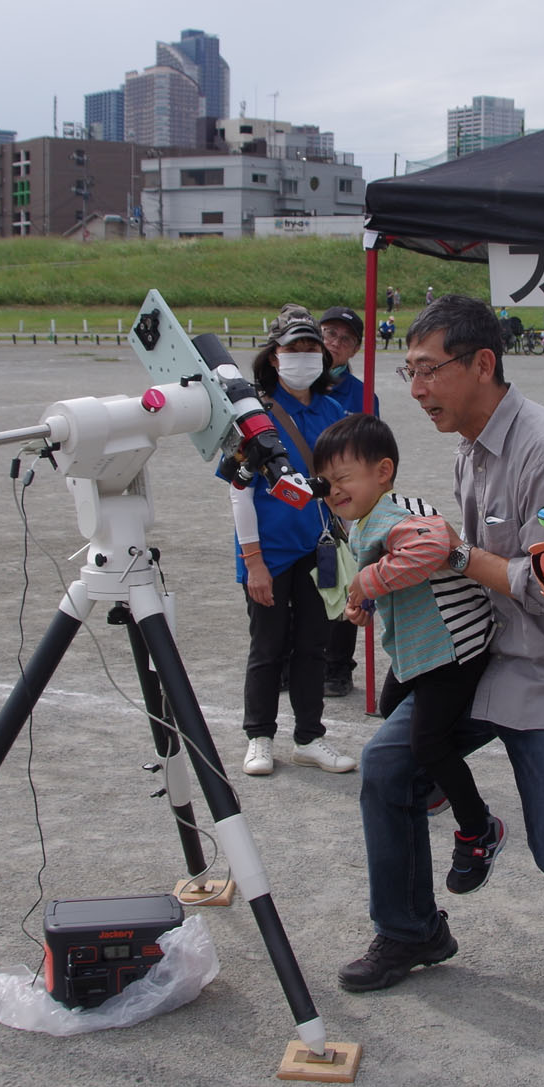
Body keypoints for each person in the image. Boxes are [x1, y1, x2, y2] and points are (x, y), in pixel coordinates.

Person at [337, 294, 544, 1010]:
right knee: (387, 769)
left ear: (483, 364)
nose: (415, 391)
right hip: (486, 655)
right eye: (408, 371)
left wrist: (452, 552)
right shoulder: (470, 448)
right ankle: (411, 930)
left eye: (428, 371)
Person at [311, 413, 502, 893]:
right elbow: (396, 572)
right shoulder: (363, 520)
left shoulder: (396, 515)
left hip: (455, 646)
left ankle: (479, 829)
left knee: (426, 743)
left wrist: (366, 581)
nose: (334, 491)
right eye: (326, 483)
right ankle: (434, 785)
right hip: (421, 649)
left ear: (382, 472)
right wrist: (366, 601)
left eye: (343, 479)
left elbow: (435, 543)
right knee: (393, 711)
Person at [225, 304, 356, 778]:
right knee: (268, 647)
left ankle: (309, 737)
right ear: (274, 358)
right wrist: (254, 563)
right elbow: (239, 489)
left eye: (311, 348)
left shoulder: (334, 411)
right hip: (269, 553)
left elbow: (344, 481)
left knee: (313, 648)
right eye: (292, 349)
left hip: (316, 549)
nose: (303, 356)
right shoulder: (251, 415)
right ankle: (259, 737)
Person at [316, 306, 380, 699]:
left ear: (354, 348)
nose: (333, 343)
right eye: (328, 333)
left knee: (340, 583)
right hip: (299, 506)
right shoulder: (295, 388)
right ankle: (299, 662)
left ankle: (337, 666)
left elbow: (375, 453)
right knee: (297, 588)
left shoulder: (361, 395)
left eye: (344, 338)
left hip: (341, 508)